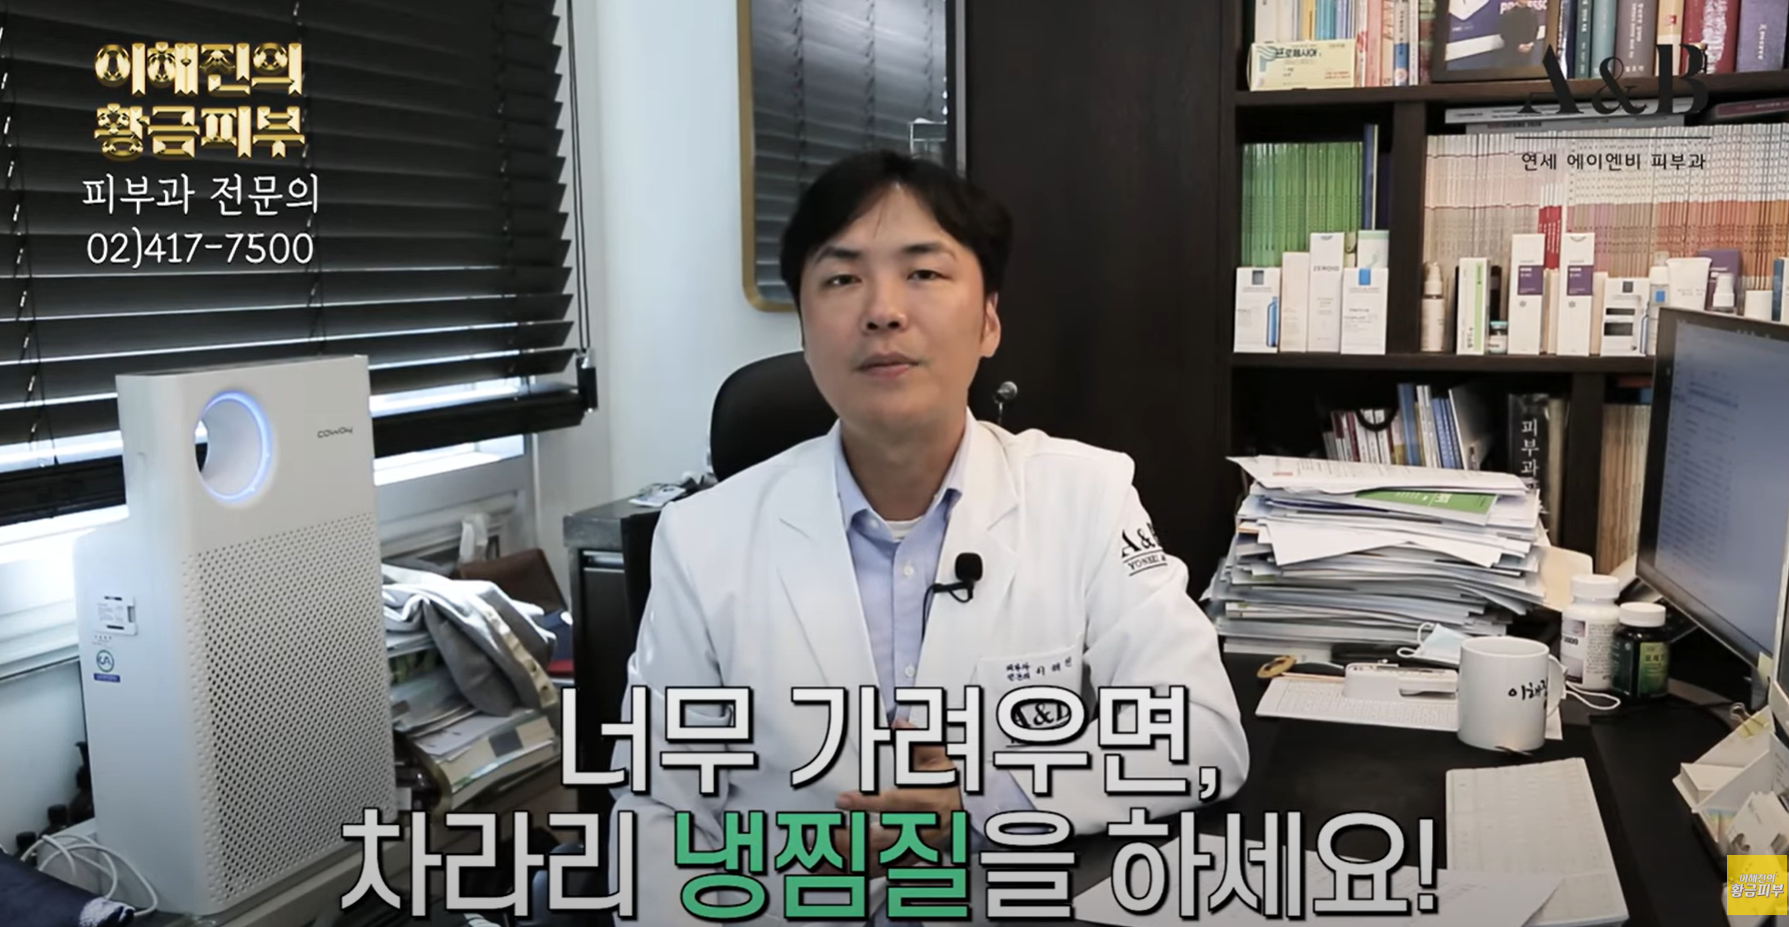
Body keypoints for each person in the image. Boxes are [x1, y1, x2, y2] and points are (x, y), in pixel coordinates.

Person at [608, 150, 1248, 922]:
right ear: (805, 330)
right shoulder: (702, 537)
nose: (883, 310)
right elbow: (657, 814)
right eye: (841, 279)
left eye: (923, 272)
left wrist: (986, 793)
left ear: (988, 321)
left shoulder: (1085, 495)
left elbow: (1200, 734)